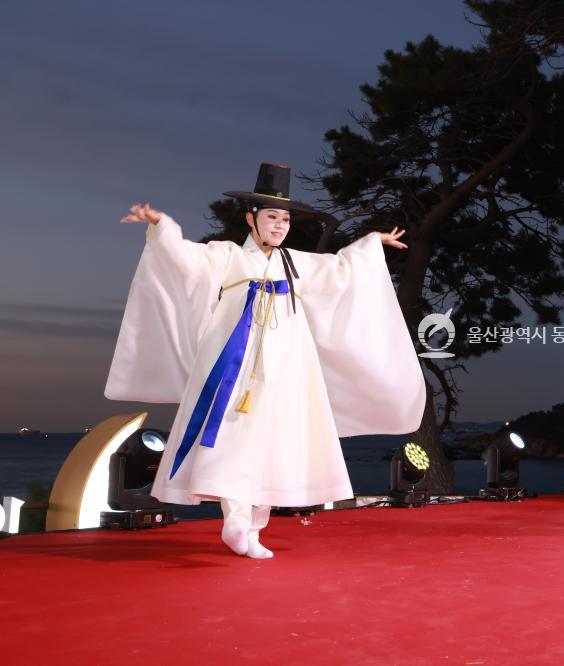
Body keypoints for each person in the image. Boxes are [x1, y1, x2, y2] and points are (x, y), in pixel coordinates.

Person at [106, 162, 425, 558]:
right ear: (250, 218)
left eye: (285, 219)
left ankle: (254, 527)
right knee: (231, 439)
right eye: (271, 217)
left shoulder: (295, 263)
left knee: (277, 442)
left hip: (287, 367)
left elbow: (341, 270)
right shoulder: (226, 256)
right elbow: (185, 260)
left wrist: (371, 242)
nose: (279, 225)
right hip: (232, 364)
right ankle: (236, 521)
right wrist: (161, 225)